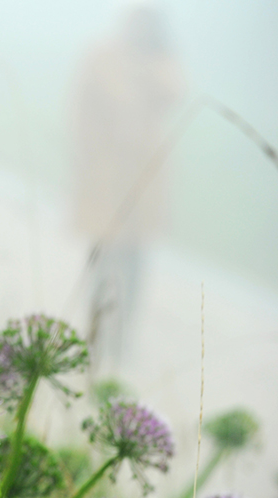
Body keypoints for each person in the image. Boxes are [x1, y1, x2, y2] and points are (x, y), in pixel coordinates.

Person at [71, 4, 186, 370]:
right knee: (103, 260)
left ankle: (122, 343)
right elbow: (82, 106)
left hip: (144, 180)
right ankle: (94, 336)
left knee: (135, 263)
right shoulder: (103, 57)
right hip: (104, 177)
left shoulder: (162, 64)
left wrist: (146, 64)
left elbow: (175, 90)